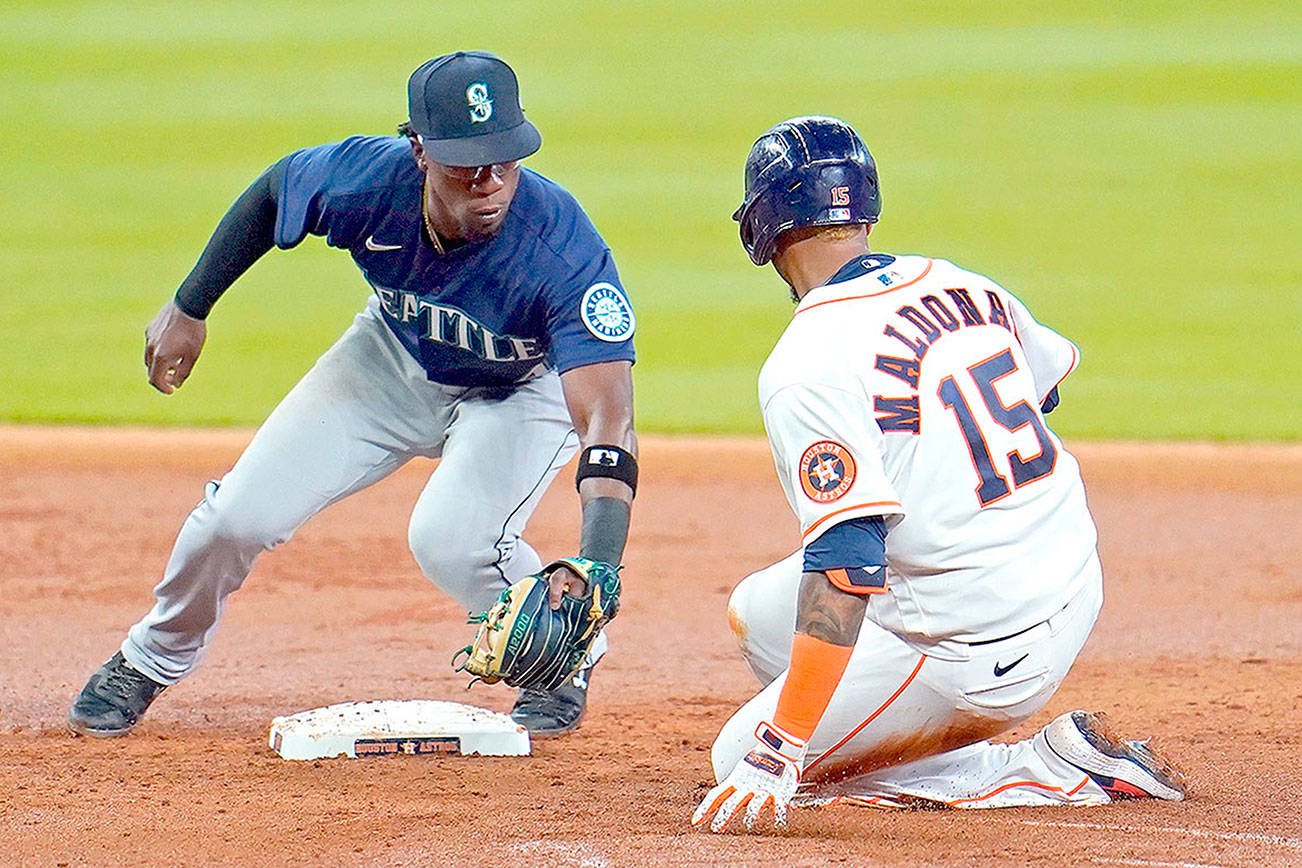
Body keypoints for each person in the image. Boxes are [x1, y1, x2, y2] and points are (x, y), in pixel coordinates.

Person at [68, 51, 638, 739]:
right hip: (390, 358)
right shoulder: (368, 180)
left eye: (504, 158)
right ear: (420, 149)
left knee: (452, 541)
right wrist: (191, 305)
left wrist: (598, 564)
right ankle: (149, 659)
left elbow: (608, 417)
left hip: (521, 390)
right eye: (467, 162)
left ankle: (563, 661)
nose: (489, 181)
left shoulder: (560, 247)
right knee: (234, 518)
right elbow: (277, 191)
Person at [692, 116, 1185, 833]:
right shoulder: (959, 282)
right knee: (760, 612)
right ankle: (875, 733)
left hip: (981, 651)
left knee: (738, 754)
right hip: (1067, 578)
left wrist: (780, 750)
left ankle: (1038, 769)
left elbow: (848, 565)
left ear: (760, 230)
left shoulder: (805, 364)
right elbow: (1042, 389)